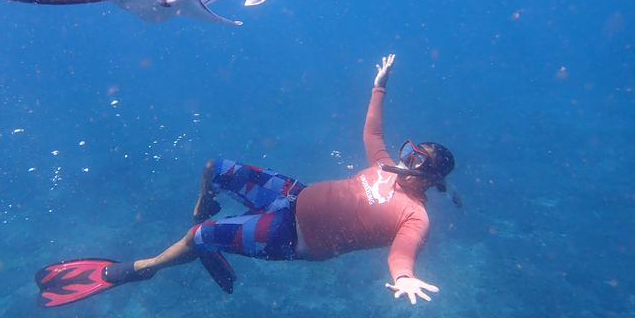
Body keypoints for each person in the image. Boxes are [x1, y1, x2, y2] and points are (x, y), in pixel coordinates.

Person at [35, 54, 458, 308]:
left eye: (416, 158)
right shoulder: (384, 165)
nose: (404, 157)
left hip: (291, 235)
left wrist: (403, 278)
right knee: (215, 167)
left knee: (200, 236)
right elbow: (372, 134)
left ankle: (139, 270)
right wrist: (378, 87)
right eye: (410, 149)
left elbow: (403, 254)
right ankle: (206, 214)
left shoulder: (414, 216)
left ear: (429, 176)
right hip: (294, 196)